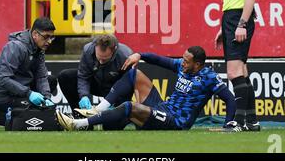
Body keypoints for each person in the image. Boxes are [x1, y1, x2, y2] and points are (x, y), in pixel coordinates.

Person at [56, 46, 236, 131]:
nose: (182, 63)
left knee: (129, 106)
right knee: (135, 74)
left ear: (198, 64)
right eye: (182, 58)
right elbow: (159, 59)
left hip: (176, 121)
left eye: (187, 61)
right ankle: (98, 109)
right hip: (164, 108)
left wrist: (228, 124)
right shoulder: (182, 66)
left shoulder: (209, 77)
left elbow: (229, 98)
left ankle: (77, 124)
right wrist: (139, 54)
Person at [214, 0, 260, 132]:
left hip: (239, 19)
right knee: (241, 70)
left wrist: (241, 24)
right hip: (231, 19)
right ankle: (252, 121)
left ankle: (238, 123)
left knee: (234, 73)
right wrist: (224, 28)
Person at [0, 17, 58, 131]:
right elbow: (3, 79)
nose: (49, 41)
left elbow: (41, 77)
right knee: (26, 122)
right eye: (46, 37)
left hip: (20, 91)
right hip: (1, 95)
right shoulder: (15, 47)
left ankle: (19, 113)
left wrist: (46, 98)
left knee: (50, 81)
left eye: (52, 37)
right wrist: (29, 93)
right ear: (35, 34)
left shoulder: (39, 49)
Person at [57, 34, 133, 129]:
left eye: (104, 59)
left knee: (111, 126)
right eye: (99, 57)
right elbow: (83, 76)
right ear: (95, 47)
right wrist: (83, 95)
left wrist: (116, 105)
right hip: (96, 83)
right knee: (66, 76)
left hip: (114, 89)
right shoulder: (88, 49)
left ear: (114, 50)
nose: (100, 62)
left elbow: (128, 86)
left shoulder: (126, 56)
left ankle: (120, 117)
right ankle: (80, 116)